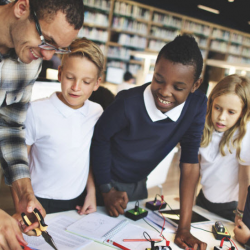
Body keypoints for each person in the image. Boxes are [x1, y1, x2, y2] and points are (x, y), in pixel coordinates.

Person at [91, 35, 207, 249]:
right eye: (159, 79)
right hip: (102, 180)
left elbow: (189, 162)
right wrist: (106, 189)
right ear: (153, 70)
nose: (164, 92)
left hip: (138, 184)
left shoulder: (197, 106)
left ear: (195, 85)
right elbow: (99, 139)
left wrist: (184, 229)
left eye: (178, 87)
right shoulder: (127, 102)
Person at [0, 0, 83, 248]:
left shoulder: (29, 58)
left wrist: (25, 191)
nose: (47, 56)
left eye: (58, 49)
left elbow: (11, 124)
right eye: (46, 40)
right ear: (21, 8)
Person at [11, 38, 104, 216]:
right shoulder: (35, 111)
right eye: (70, 77)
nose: (76, 87)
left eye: (86, 81)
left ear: (97, 83)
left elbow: (89, 156)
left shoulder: (96, 112)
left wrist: (91, 193)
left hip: (78, 199)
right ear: (60, 73)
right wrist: (20, 208)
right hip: (38, 198)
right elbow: (17, 164)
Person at [197, 75, 250, 223]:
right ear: (211, 103)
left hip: (230, 208)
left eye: (231, 112)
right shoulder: (202, 127)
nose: (221, 117)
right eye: (217, 108)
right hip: (202, 199)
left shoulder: (245, 135)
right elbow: (195, 167)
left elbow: (245, 178)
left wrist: (241, 213)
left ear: (242, 113)